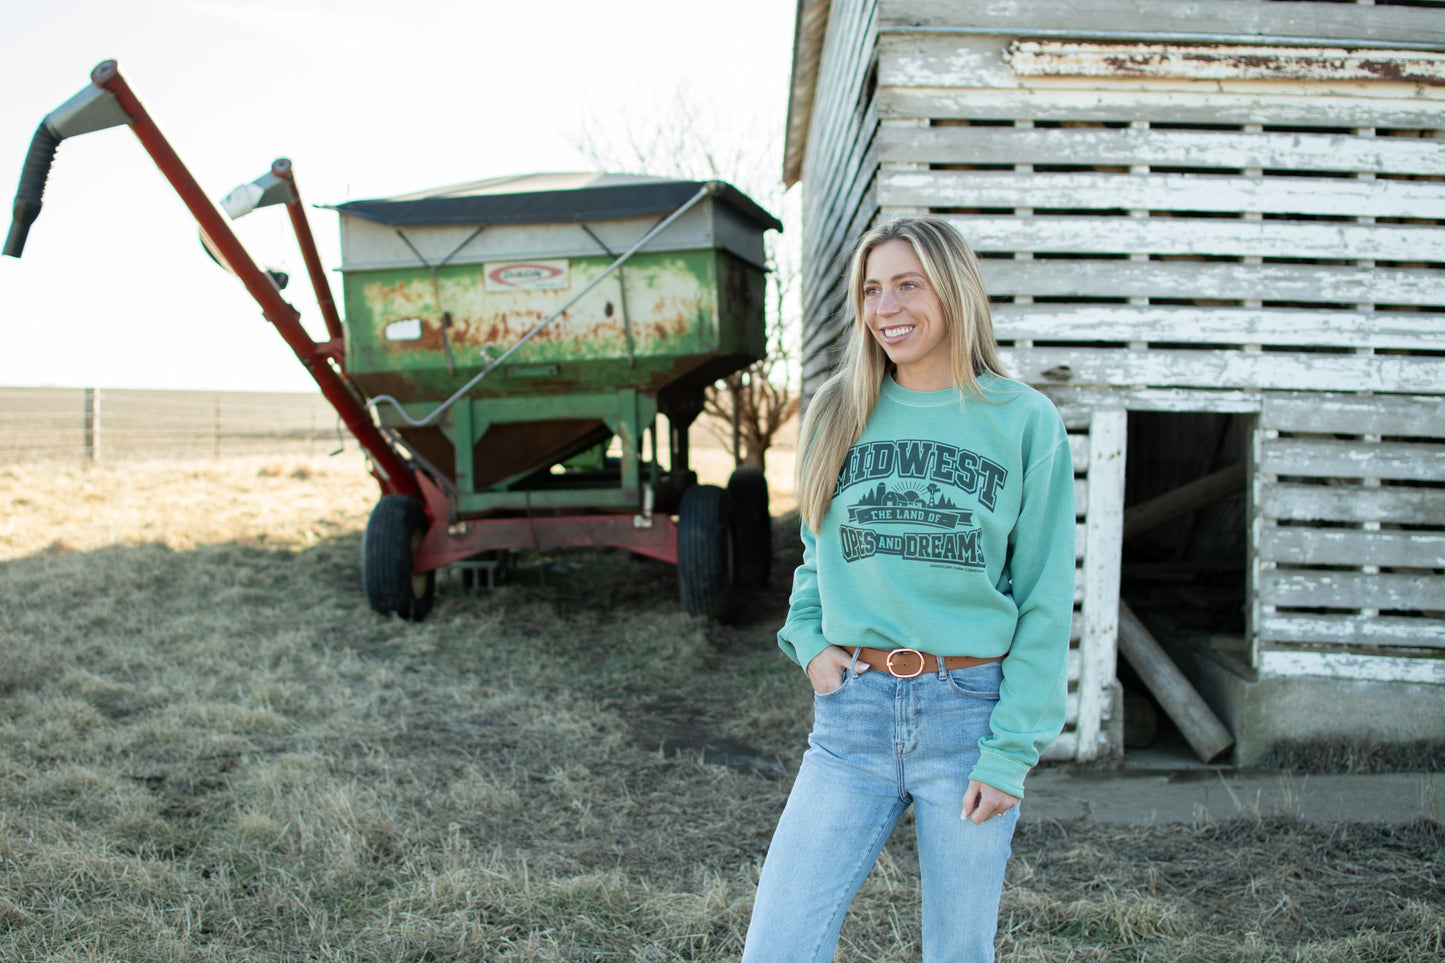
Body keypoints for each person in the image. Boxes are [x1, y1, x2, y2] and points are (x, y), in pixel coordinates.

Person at [741, 215, 1075, 962]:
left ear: (953, 292)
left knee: (957, 951)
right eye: (871, 289)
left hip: (967, 716)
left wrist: (1009, 752)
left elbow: (1045, 598)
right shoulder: (836, 407)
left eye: (906, 285)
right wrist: (810, 642)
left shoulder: (1023, 421)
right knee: (778, 943)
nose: (886, 307)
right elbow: (814, 549)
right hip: (851, 717)